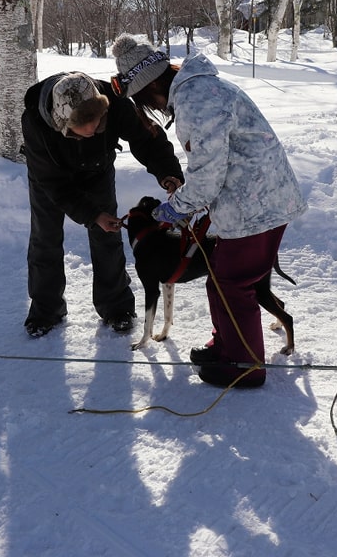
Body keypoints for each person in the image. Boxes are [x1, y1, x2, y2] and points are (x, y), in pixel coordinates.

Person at [112, 34, 308, 388]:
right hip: (253, 200)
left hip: (256, 207)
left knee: (233, 284)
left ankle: (244, 365)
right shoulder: (196, 91)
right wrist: (187, 198)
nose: (152, 107)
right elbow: (212, 166)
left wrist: (169, 212)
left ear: (155, 82)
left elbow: (207, 181)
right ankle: (227, 346)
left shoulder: (196, 101)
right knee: (221, 277)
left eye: (146, 100)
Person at [21, 71, 184, 338]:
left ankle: (117, 307)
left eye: (97, 120)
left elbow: (147, 139)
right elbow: (54, 185)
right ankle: (45, 310)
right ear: (62, 121)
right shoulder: (36, 122)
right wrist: (91, 214)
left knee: (107, 236)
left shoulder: (114, 103)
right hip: (50, 178)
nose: (92, 129)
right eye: (82, 125)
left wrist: (168, 173)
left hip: (97, 170)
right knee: (44, 239)